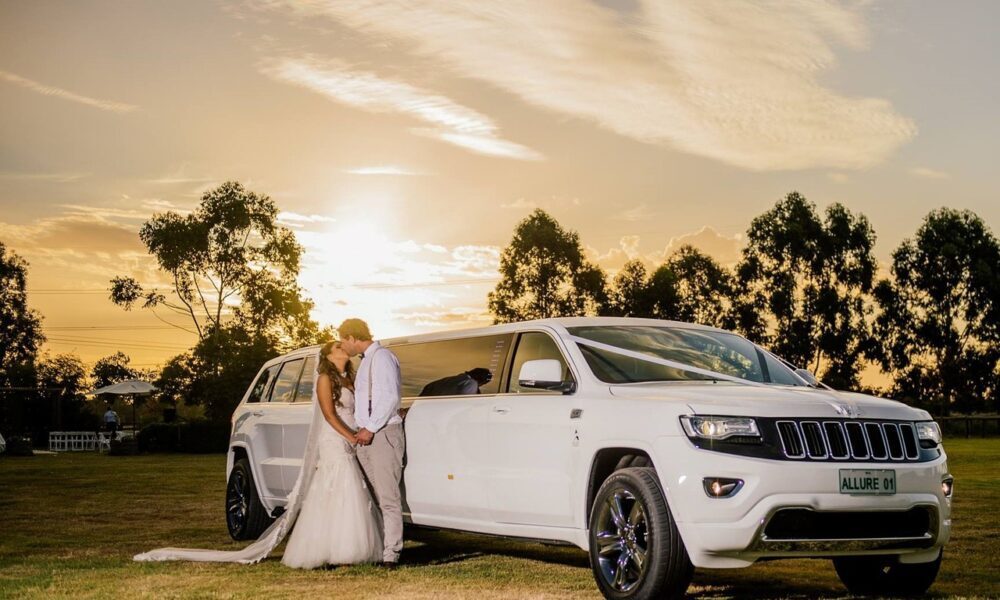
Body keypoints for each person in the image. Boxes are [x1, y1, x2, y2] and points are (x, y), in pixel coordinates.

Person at [134, 341, 382, 567]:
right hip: (335, 439)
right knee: (337, 488)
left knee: (346, 492)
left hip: (353, 438)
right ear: (328, 356)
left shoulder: (351, 378)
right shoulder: (324, 379)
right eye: (337, 346)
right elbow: (329, 415)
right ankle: (335, 550)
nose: (343, 348)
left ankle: (345, 547)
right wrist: (351, 436)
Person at [338, 317, 405, 566]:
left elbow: (389, 397)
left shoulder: (383, 357)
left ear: (353, 337)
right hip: (366, 437)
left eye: (345, 341)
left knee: (388, 497)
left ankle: (392, 554)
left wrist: (370, 428)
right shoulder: (366, 362)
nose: (345, 347)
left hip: (383, 434)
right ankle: (380, 548)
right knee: (375, 496)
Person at [420, 368, 493, 396]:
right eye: (484, 383)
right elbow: (464, 404)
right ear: (481, 380)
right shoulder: (471, 383)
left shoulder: (441, 382)